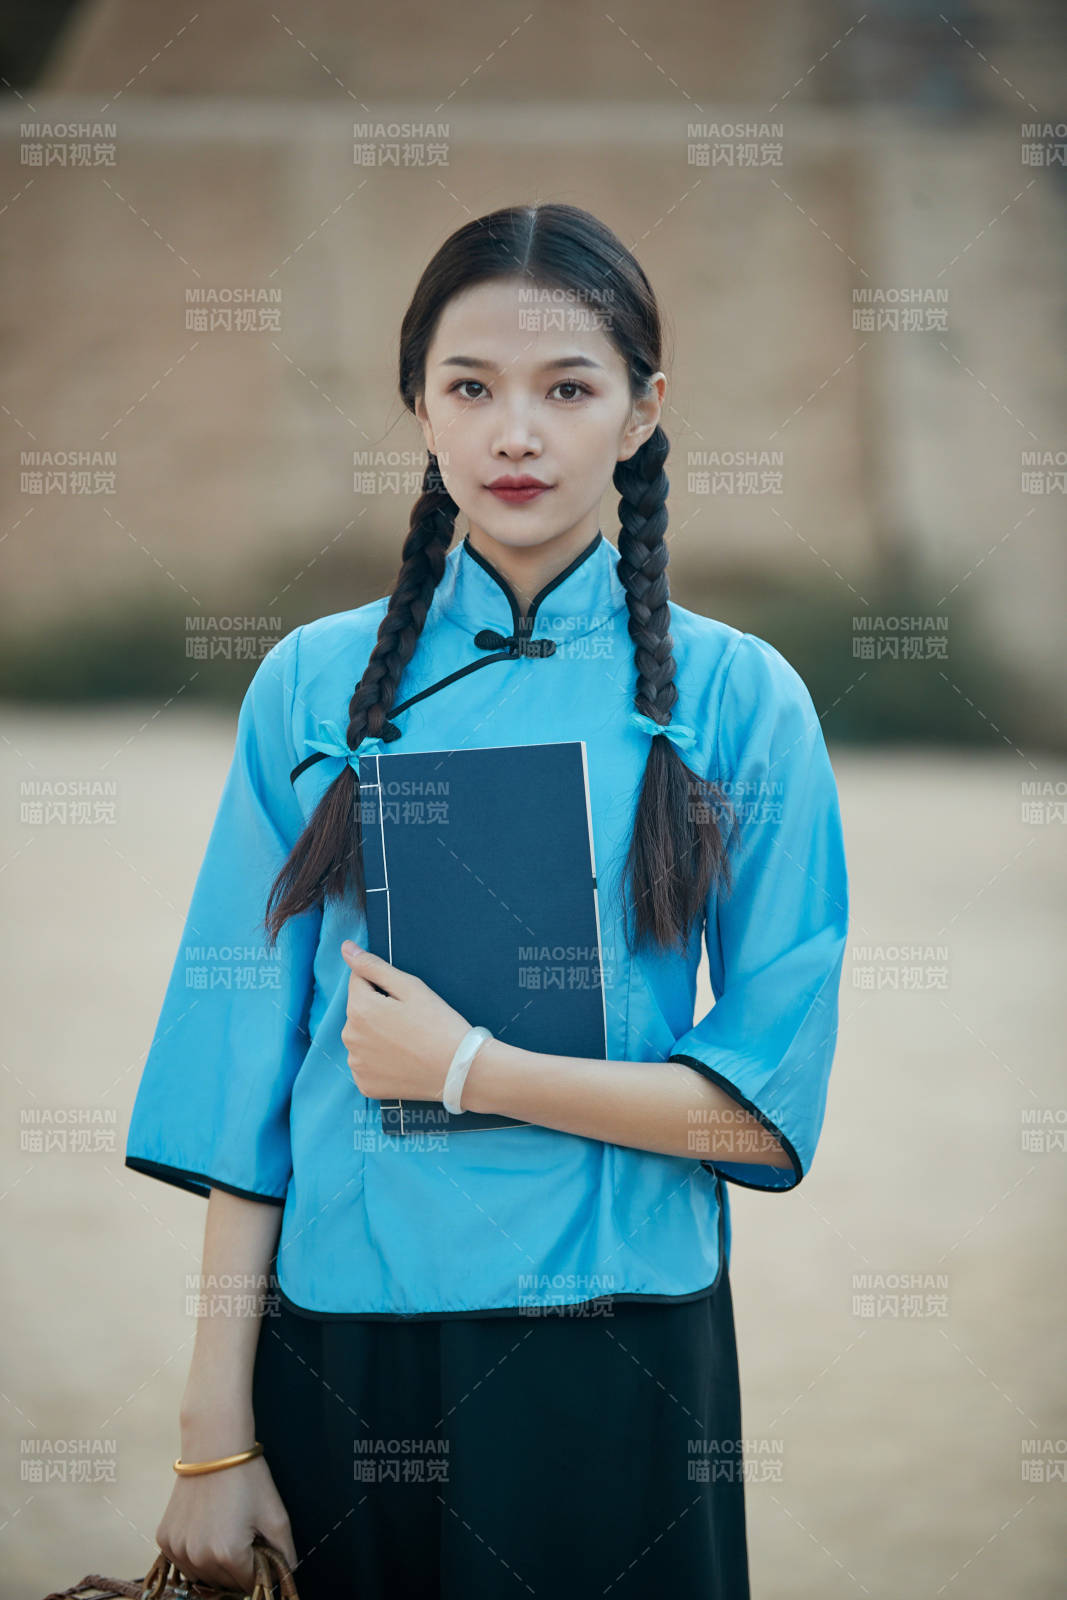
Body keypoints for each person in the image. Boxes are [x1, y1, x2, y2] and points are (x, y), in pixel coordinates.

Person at [126, 201, 850, 1598]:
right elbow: (242, 1088)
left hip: (620, 1339)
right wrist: (211, 1436)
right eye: (472, 388)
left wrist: (471, 1069)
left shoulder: (743, 702)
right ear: (419, 408)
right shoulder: (311, 684)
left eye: (567, 389)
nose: (516, 433)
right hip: (347, 1340)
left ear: (643, 412)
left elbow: (762, 1100)